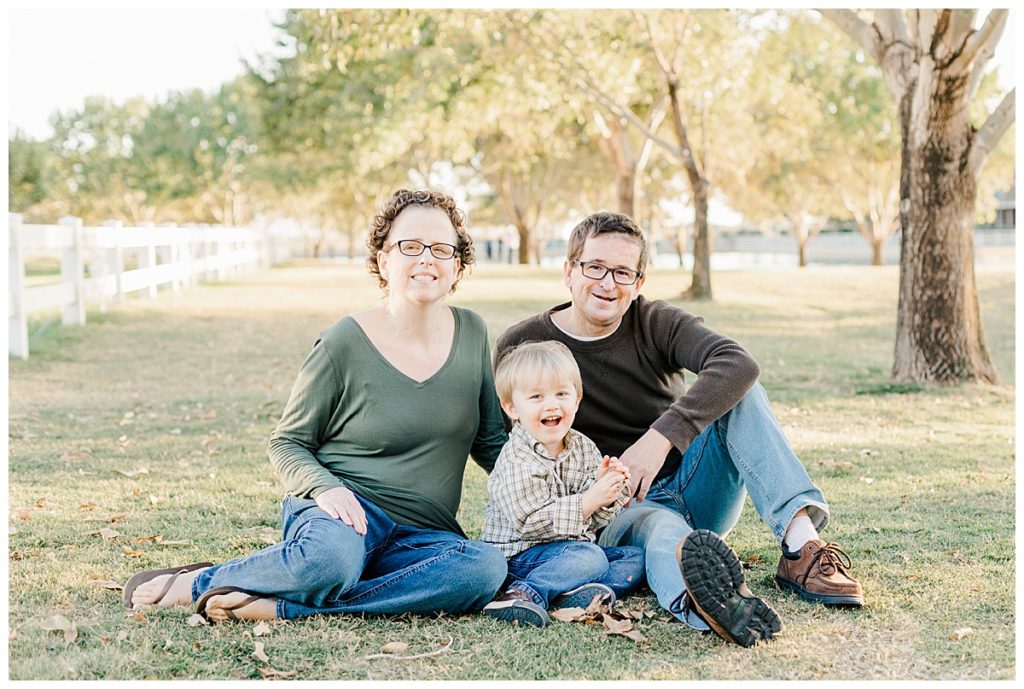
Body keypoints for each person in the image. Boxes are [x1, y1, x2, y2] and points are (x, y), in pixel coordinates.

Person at [123, 189, 509, 622]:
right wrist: (326, 489)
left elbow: (492, 440)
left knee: (484, 568)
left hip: (423, 536)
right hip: (341, 516)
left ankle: (282, 605)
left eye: (441, 249)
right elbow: (287, 442)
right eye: (410, 246)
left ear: (456, 264)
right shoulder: (343, 341)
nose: (426, 258)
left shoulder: (473, 333)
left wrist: (557, 487)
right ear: (384, 261)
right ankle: (197, 582)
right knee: (329, 563)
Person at [496, 211, 863, 648]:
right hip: (620, 507)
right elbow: (508, 443)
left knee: (742, 390)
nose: (607, 283)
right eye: (594, 267)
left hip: (695, 483)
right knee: (662, 531)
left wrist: (660, 438)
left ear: (639, 282)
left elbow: (737, 362)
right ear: (569, 271)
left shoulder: (655, 322)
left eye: (622, 272)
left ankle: (801, 546)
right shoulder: (526, 346)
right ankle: (709, 603)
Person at [480, 341, 645, 627]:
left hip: (568, 552)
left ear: (577, 399)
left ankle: (573, 594)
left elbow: (594, 518)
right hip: (519, 558)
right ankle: (523, 593)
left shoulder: (581, 446)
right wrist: (589, 499)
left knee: (634, 558)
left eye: (561, 393)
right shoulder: (516, 458)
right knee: (590, 557)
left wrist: (608, 488)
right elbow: (531, 522)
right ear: (511, 408)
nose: (552, 404)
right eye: (536, 397)